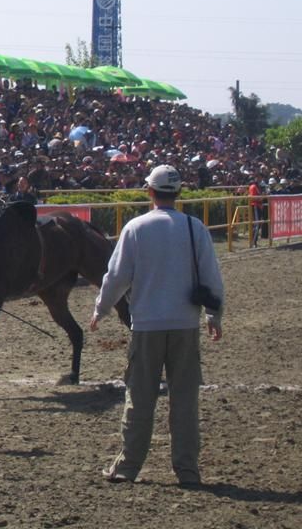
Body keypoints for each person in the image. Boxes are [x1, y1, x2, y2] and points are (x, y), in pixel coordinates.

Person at [90, 164, 224, 487]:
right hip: (185, 325)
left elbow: (116, 277)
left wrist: (101, 309)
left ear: (149, 192)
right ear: (178, 193)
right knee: (185, 400)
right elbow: (211, 277)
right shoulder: (195, 228)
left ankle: (127, 467)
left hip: (146, 325)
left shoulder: (136, 229)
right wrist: (213, 315)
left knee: (139, 397)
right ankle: (187, 470)